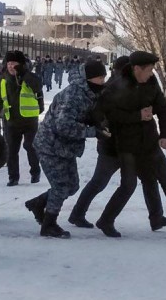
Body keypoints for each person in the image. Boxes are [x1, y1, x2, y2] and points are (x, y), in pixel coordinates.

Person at [95, 51, 166, 237]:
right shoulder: (116, 86)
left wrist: (165, 135)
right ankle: (105, 220)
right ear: (136, 69)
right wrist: (136, 116)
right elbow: (106, 115)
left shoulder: (151, 83)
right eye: (148, 70)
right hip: (127, 146)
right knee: (128, 185)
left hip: (149, 142)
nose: (150, 74)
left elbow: (163, 109)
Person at [67, 56, 166, 232]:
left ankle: (156, 217)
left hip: (130, 146)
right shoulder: (112, 88)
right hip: (112, 148)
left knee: (148, 179)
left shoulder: (129, 86)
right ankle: (80, 214)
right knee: (100, 182)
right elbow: (107, 117)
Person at [25, 60, 109, 238]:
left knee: (72, 186)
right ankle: (49, 224)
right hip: (50, 145)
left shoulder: (90, 93)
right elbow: (62, 125)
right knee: (61, 186)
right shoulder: (74, 94)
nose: (103, 81)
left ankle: (38, 203)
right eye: (99, 77)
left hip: (65, 148)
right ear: (89, 78)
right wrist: (93, 132)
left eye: (104, 77)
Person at [0, 50, 44, 186]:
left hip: (29, 120)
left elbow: (38, 86)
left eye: (14, 63)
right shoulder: (3, 79)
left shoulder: (30, 77)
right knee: (12, 150)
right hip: (11, 120)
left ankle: (35, 172)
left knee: (30, 147)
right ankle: (13, 177)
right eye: (9, 63)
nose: (11, 66)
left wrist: (24, 73)